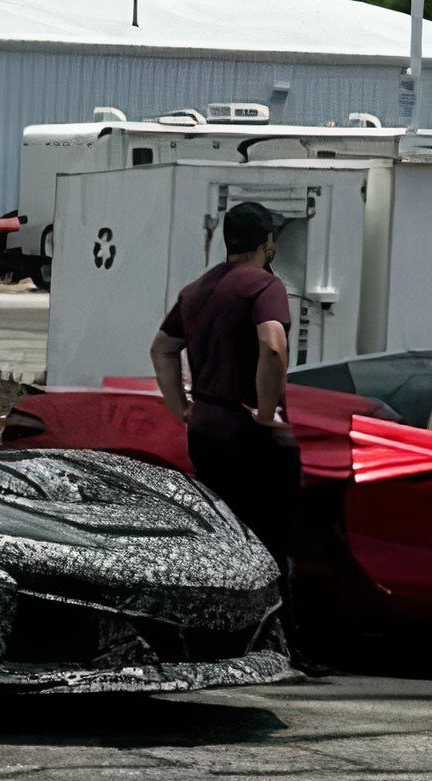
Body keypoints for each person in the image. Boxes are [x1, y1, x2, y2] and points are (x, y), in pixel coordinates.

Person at [149, 202, 313, 662]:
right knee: (272, 540)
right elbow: (273, 348)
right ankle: (284, 647)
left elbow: (161, 349)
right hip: (249, 433)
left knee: (226, 534)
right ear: (267, 243)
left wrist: (181, 407)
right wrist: (266, 412)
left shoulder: (196, 290)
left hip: (205, 428)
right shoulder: (264, 285)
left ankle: (218, 640)